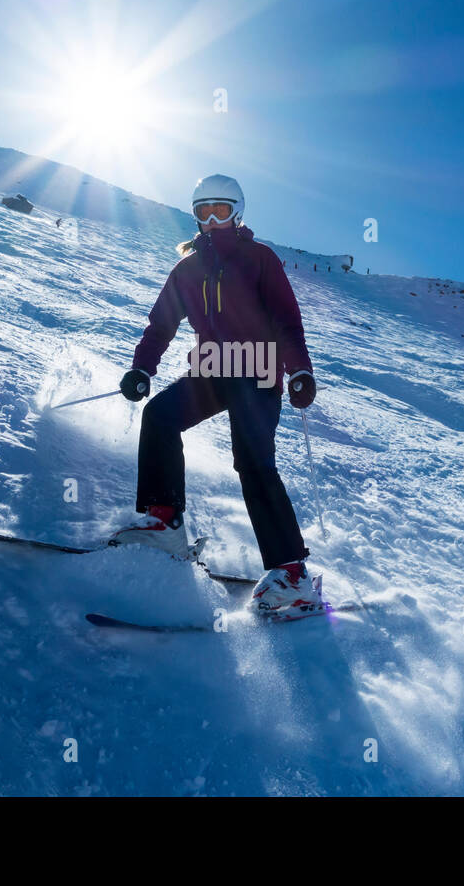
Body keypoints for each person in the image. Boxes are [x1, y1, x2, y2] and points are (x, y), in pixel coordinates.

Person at [112, 174, 322, 616]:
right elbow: (161, 325)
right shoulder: (187, 269)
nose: (211, 220)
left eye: (220, 211)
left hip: (258, 371)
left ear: (237, 213)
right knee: (160, 416)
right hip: (212, 371)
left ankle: (292, 574)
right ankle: (164, 520)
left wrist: (299, 370)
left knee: (252, 460)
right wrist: (141, 369)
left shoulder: (259, 259)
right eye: (202, 212)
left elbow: (287, 320)